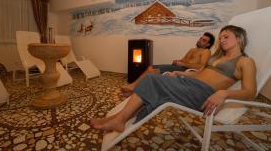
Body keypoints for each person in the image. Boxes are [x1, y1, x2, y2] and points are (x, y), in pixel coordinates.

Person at [91, 25, 257, 132]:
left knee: (152, 80)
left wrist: (224, 94)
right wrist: (180, 73)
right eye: (220, 37)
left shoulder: (245, 61)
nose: (221, 40)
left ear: (239, 37)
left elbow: (250, 92)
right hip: (189, 84)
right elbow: (199, 74)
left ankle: (119, 120)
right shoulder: (217, 57)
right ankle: (117, 118)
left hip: (201, 94)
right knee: (156, 79)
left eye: (226, 36)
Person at [121, 32, 215, 96]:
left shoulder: (206, 51)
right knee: (151, 67)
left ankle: (133, 87)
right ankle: (136, 89)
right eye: (200, 38)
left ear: (208, 44)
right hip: (180, 67)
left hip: (185, 71)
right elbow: (182, 60)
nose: (200, 40)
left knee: (152, 71)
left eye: (204, 40)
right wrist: (177, 61)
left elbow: (202, 66)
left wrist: (182, 64)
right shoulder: (192, 49)